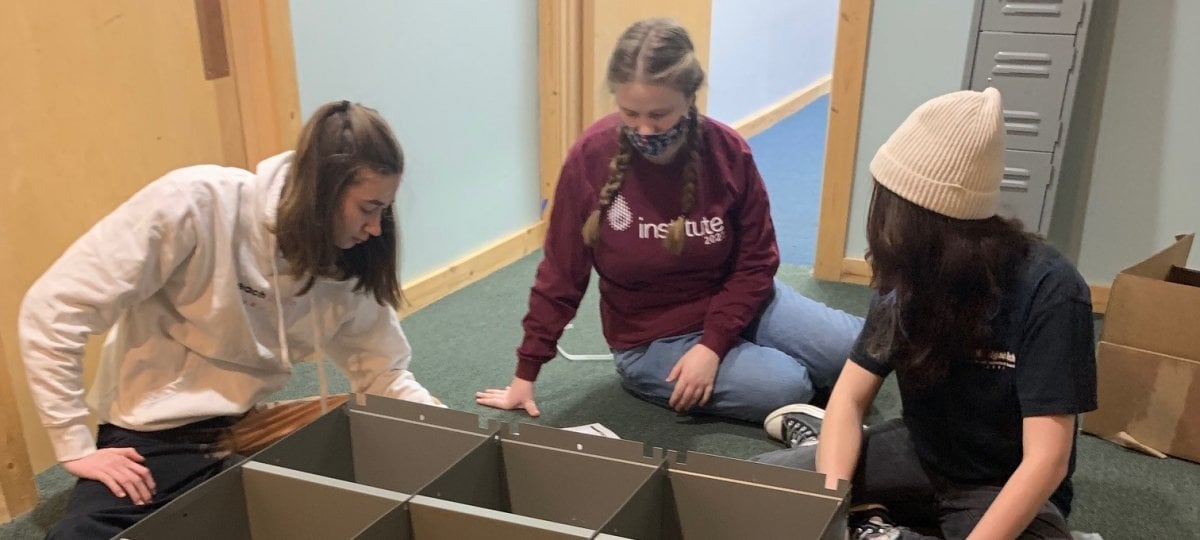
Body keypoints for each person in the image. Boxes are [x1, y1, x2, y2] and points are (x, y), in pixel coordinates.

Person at [19, 100, 441, 539]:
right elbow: (54, 308)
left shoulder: (350, 256)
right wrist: (73, 445)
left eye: (384, 210)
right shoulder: (195, 202)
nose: (376, 228)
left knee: (380, 448)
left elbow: (384, 373)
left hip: (249, 422)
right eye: (368, 208)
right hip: (157, 431)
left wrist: (442, 430)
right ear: (323, 192)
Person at [476, 18, 863, 423]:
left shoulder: (728, 151)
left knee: (852, 350)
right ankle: (652, 375)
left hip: (739, 300)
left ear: (689, 98)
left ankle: (746, 353)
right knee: (789, 386)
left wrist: (713, 345)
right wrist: (526, 373)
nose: (644, 129)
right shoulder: (589, 159)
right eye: (630, 114)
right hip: (652, 338)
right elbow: (560, 275)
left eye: (659, 115)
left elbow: (757, 261)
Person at [754, 88, 1097, 540]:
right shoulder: (907, 274)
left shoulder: (1050, 289)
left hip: (998, 484)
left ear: (925, 225)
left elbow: (1046, 461)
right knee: (751, 488)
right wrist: (831, 503)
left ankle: (877, 523)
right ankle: (862, 511)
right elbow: (851, 397)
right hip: (920, 449)